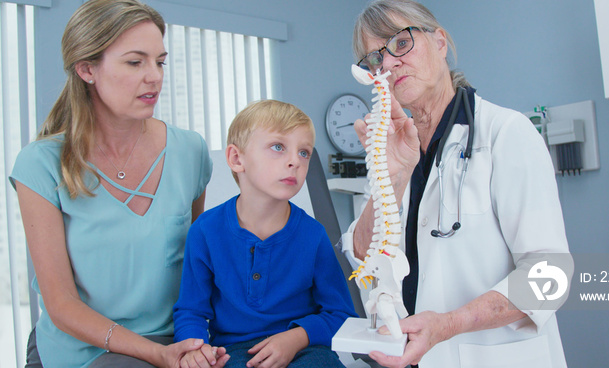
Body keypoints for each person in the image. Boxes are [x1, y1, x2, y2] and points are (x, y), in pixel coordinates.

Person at [340, 0, 573, 367]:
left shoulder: (505, 134)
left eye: (400, 43)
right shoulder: (393, 146)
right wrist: (394, 177)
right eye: (374, 59)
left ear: (440, 43)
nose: (387, 64)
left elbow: (551, 275)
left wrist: (450, 324)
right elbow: (364, 261)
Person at [9, 0, 226, 366]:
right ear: (87, 69)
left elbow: (193, 266)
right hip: (85, 345)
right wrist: (156, 354)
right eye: (134, 61)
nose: (155, 76)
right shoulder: (41, 164)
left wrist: (194, 341)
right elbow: (61, 305)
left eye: (160, 61)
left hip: (174, 336)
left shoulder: (189, 151)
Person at [172, 99, 357, 368]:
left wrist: (297, 338)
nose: (295, 160)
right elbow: (191, 310)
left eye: (304, 152)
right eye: (278, 147)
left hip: (305, 352)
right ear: (237, 159)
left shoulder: (313, 236)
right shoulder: (205, 231)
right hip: (232, 353)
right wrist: (195, 349)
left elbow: (340, 313)